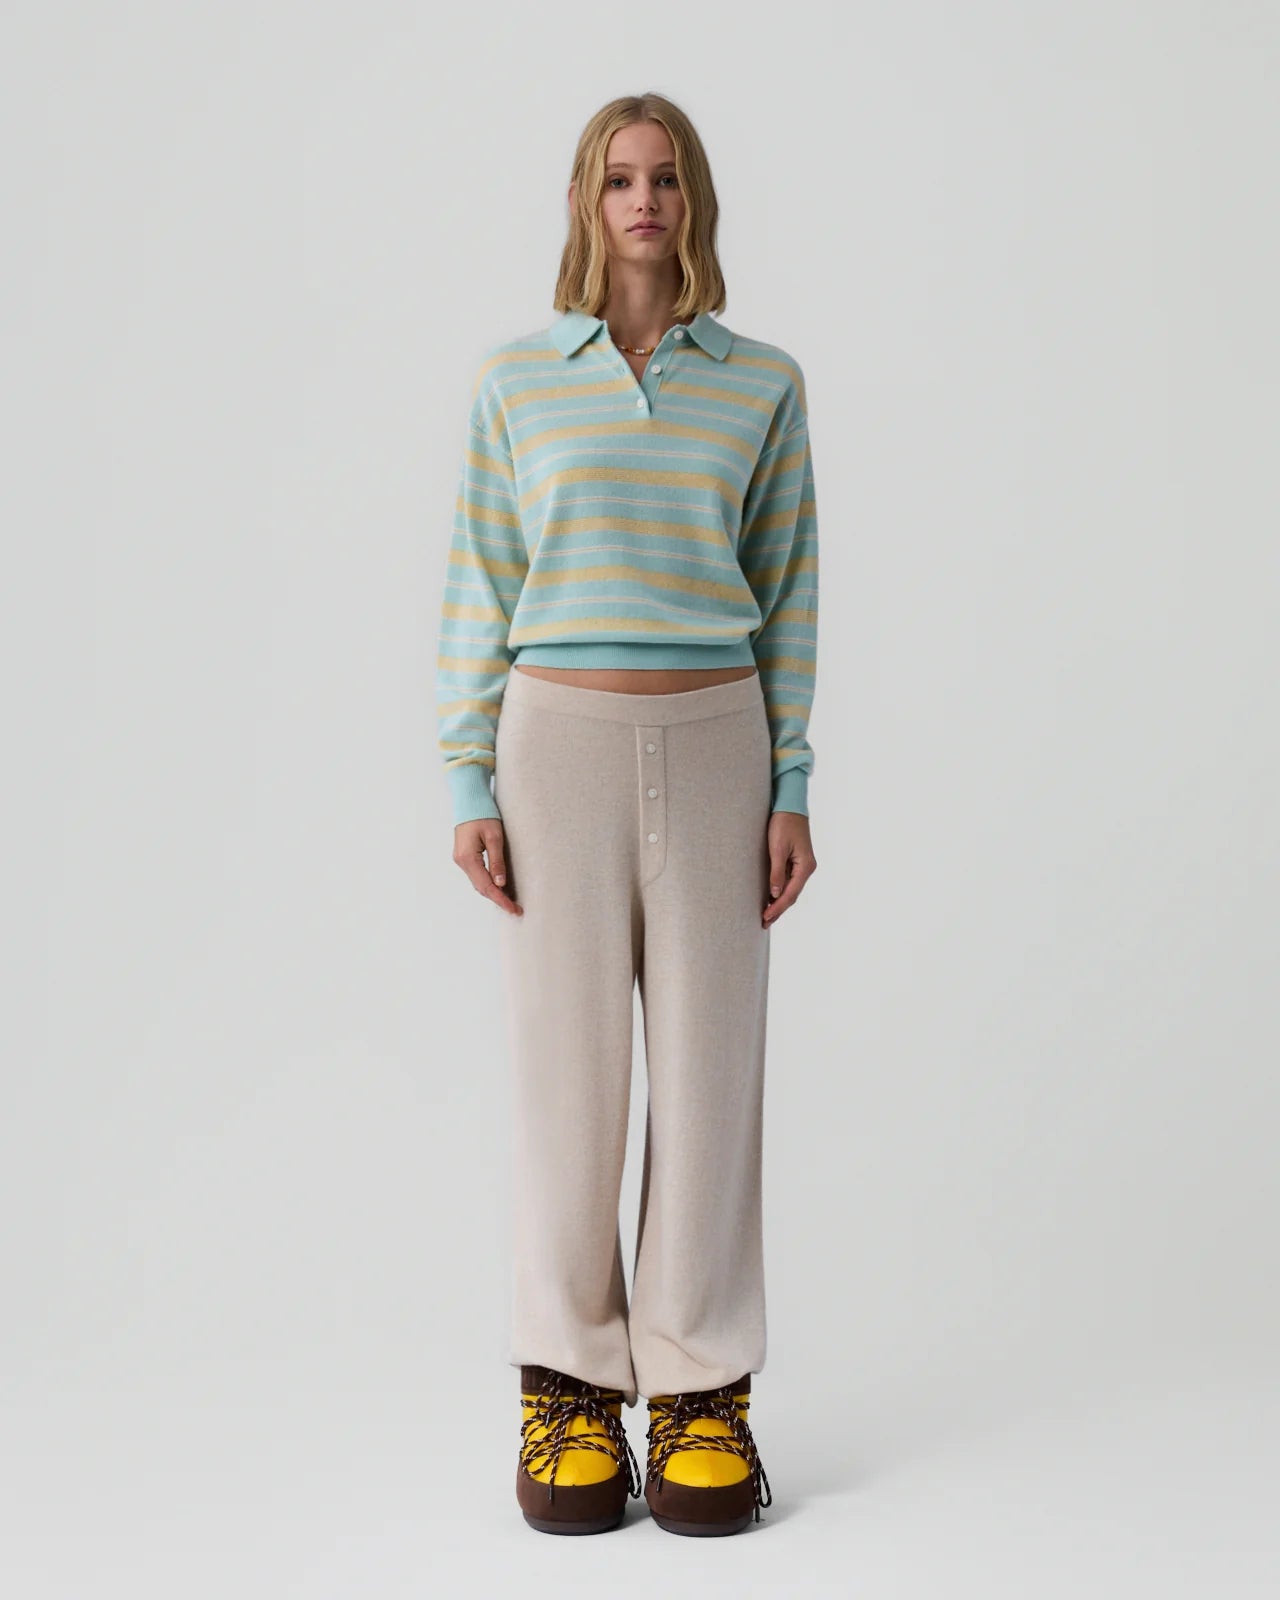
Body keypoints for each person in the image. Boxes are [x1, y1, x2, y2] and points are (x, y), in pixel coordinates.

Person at [435, 91, 819, 1537]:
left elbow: (788, 593)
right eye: (616, 179)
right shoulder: (519, 382)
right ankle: (570, 1389)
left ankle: (702, 1389)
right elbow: (480, 577)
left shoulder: (761, 384)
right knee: (571, 1083)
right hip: (557, 748)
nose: (642, 201)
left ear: (694, 198)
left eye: (663, 178)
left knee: (711, 1080)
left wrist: (791, 781)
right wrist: (467, 775)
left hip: (720, 741)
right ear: (586, 204)